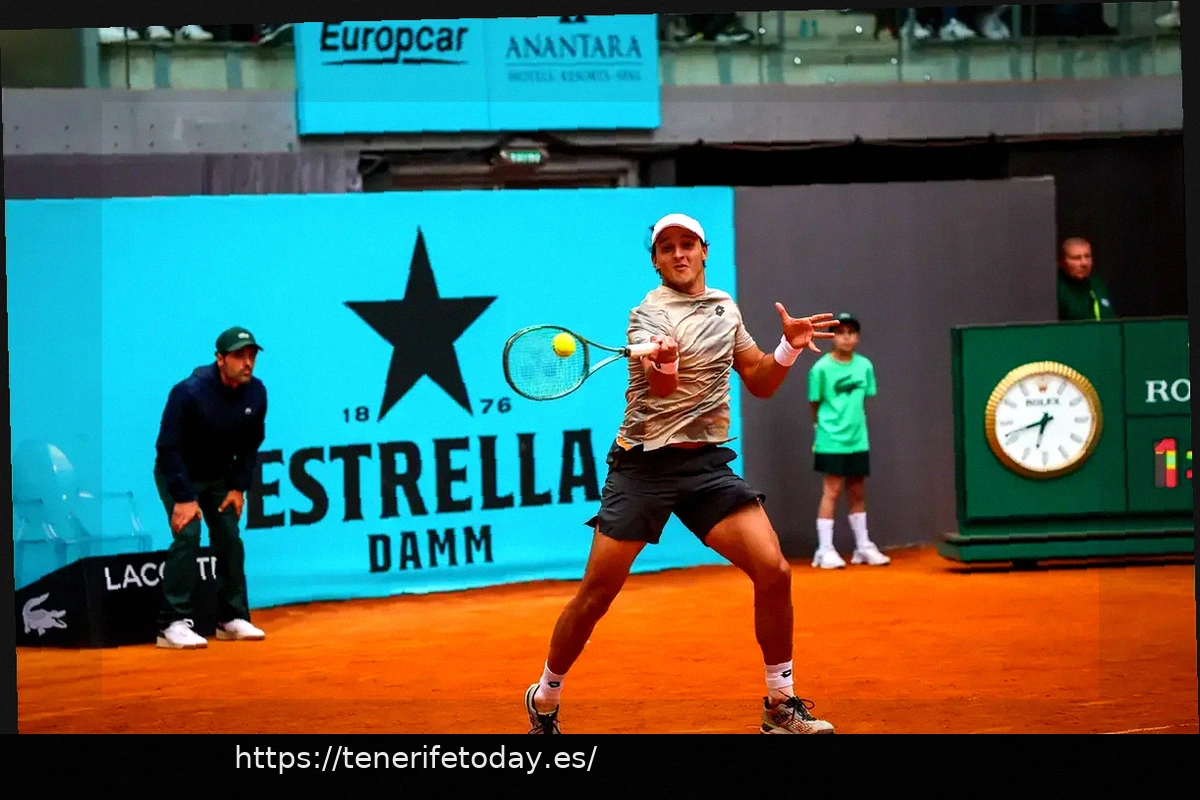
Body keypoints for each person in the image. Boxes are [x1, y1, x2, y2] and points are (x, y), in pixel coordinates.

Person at [524, 213, 839, 734]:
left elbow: (759, 381)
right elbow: (663, 390)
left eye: (687, 244)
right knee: (597, 595)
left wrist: (786, 348)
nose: (679, 254)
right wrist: (666, 362)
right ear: (656, 260)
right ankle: (544, 696)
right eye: (666, 247)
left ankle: (780, 704)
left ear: (703, 250)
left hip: (704, 466)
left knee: (775, 571)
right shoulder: (647, 315)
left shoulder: (724, 307)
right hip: (642, 468)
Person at [153, 326, 268, 649]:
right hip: (180, 474)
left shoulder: (257, 392)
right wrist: (184, 498)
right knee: (188, 534)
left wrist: (238, 488)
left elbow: (250, 445)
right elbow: (168, 448)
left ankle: (232, 618)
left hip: (220, 477)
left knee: (229, 535)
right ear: (220, 359)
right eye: (239, 356)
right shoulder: (188, 392)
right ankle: (171, 624)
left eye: (251, 356)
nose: (247, 363)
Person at [807, 313, 890, 569]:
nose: (846, 337)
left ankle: (863, 547)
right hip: (830, 439)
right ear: (832, 337)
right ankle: (824, 550)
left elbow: (865, 397)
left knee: (857, 492)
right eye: (841, 332)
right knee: (831, 492)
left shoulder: (865, 366)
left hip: (858, 440)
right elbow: (814, 403)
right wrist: (822, 428)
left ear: (858, 337)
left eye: (851, 332)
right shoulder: (820, 369)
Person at [1056, 237, 1116, 321]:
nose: (1084, 263)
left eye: (1087, 257)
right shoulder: (1056, 289)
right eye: (1076, 258)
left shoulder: (1097, 284)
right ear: (1061, 262)